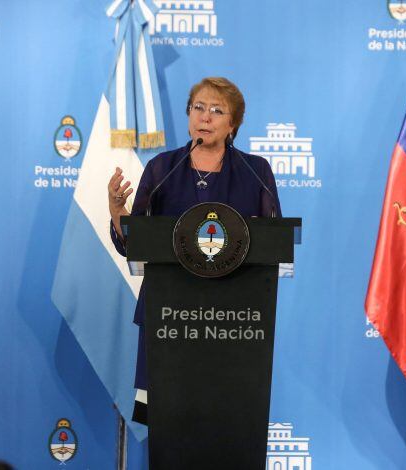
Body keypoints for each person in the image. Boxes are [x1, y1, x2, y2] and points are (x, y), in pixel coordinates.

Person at [106, 77, 281, 424]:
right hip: (169, 320)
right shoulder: (162, 168)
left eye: (218, 111)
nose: (206, 117)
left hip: (234, 321)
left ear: (232, 124)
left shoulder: (255, 170)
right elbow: (134, 240)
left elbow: (273, 238)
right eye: (199, 108)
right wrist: (115, 209)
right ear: (188, 115)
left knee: (225, 425)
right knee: (170, 426)